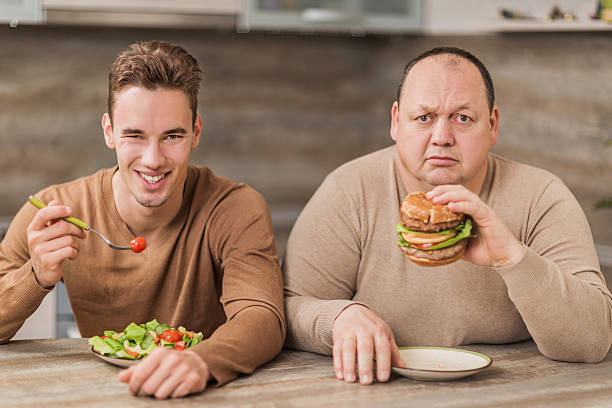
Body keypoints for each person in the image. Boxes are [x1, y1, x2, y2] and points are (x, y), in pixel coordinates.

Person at [282, 46, 612, 386]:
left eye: (463, 118)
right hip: (377, 386)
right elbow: (284, 308)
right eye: (423, 117)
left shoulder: (541, 196)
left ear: (493, 125)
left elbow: (591, 341)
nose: (442, 138)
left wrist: (513, 259)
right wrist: (338, 318)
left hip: (515, 389)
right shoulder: (349, 190)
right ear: (396, 122)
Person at [0, 41, 285, 399]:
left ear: (196, 132)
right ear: (108, 131)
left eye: (172, 136)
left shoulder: (234, 207)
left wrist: (202, 361)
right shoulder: (60, 210)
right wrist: (36, 276)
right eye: (134, 136)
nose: (153, 159)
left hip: (202, 391)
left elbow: (263, 317)